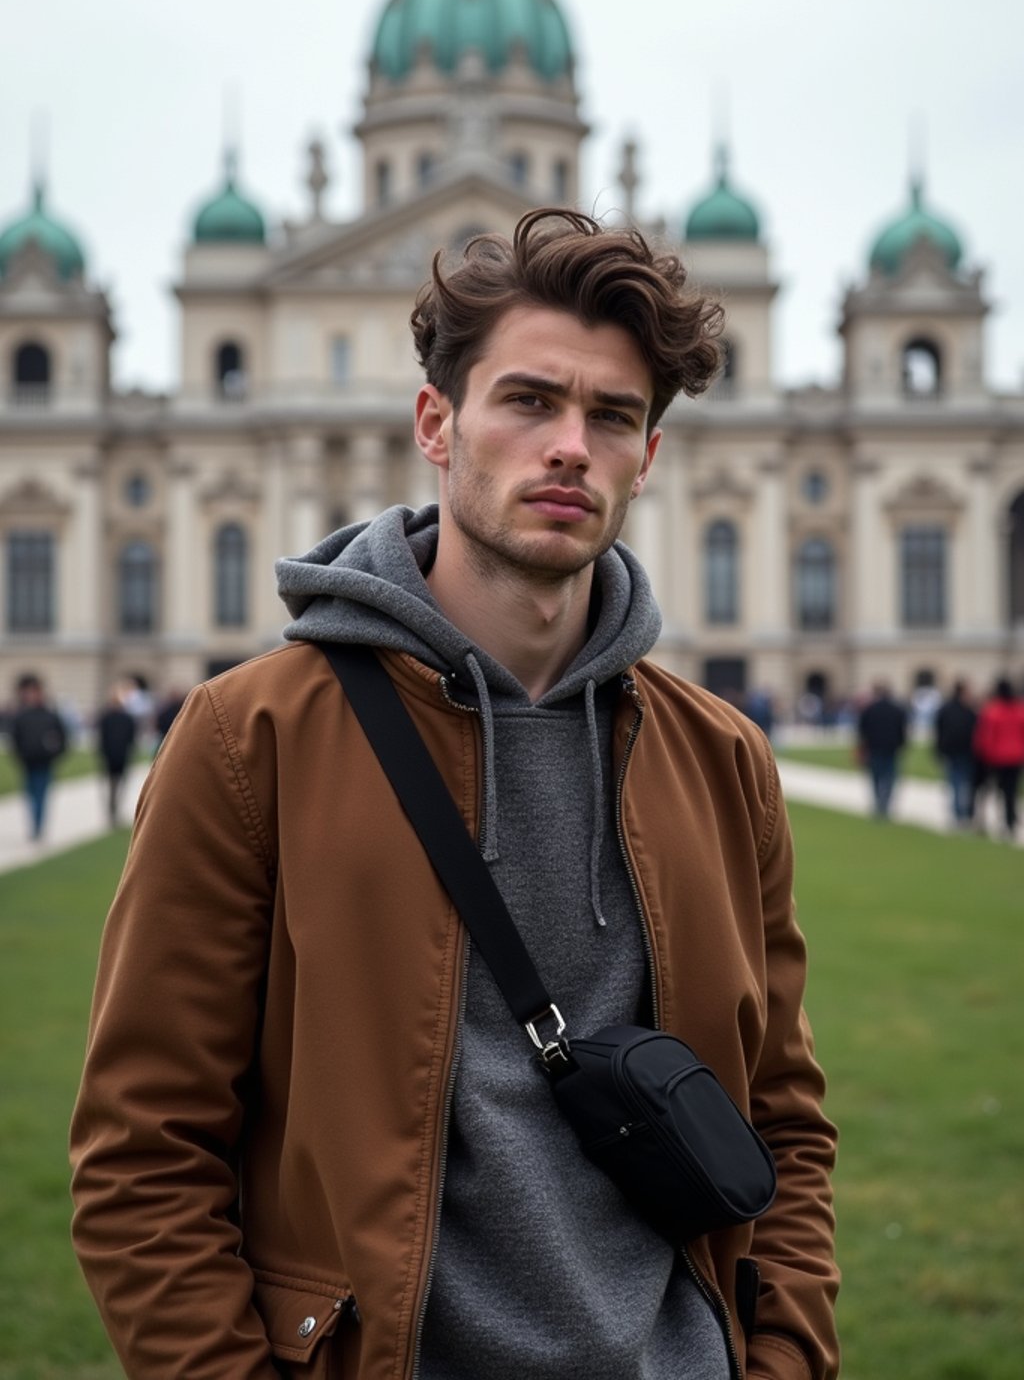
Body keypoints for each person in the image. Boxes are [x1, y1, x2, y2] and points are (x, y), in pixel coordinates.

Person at [70, 210, 839, 1380]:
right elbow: (144, 1156)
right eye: (528, 400)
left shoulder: (722, 759)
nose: (570, 446)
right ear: (436, 421)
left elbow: (781, 1120)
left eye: (612, 416)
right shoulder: (248, 740)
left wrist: (781, 1358)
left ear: (649, 458)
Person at [9, 673, 67, 841]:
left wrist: (56, 754)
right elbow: (15, 739)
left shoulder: (50, 716)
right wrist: (19, 756)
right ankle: (35, 824)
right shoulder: (22, 716)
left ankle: (38, 827)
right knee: (30, 795)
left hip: (45, 761)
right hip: (28, 761)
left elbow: (62, 738)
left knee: (41, 795)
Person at [972, 677, 1024, 839]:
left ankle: (981, 819)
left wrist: (982, 753)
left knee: (986, 790)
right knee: (1010, 791)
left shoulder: (992, 711)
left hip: (994, 757)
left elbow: (985, 736)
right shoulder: (1019, 710)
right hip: (1015, 757)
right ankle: (1009, 821)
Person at [856, 681, 908, 819]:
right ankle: (884, 804)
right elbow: (902, 731)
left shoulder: (869, 710)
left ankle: (879, 803)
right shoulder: (897, 709)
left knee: (876, 778)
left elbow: (862, 731)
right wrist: (901, 745)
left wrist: (863, 747)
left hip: (874, 748)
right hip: (891, 748)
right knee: (890, 778)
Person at [933, 680, 978, 827]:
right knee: (961, 783)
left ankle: (958, 811)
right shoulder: (968, 710)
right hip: (964, 751)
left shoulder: (946, 709)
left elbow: (938, 731)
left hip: (953, 751)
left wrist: (938, 749)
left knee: (955, 782)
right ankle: (960, 812)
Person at [95, 683, 138, 828]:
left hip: (112, 755)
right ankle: (114, 809)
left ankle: (113, 809)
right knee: (118, 784)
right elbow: (132, 738)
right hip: (119, 755)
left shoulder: (107, 717)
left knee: (114, 784)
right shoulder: (125, 718)